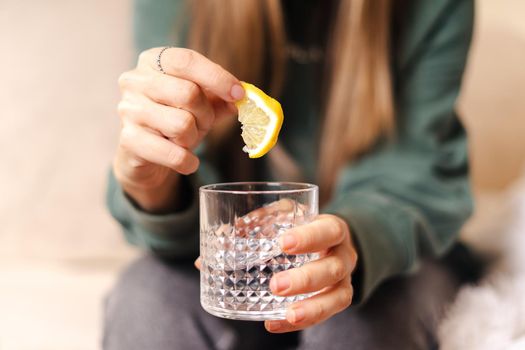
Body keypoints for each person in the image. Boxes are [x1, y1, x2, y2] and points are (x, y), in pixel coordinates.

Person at [104, 0, 481, 349]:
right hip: (230, 270)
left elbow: (414, 175)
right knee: (147, 300)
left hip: (389, 261)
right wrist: (154, 184)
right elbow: (186, 192)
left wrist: (349, 243)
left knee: (356, 326)